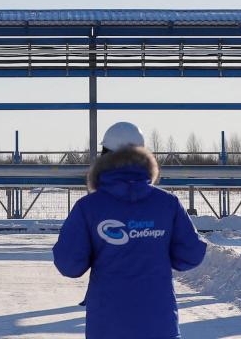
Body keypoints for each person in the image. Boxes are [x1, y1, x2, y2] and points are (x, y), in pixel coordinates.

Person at [53, 121, 207, 339]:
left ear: (104, 156)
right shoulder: (167, 204)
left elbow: (69, 264)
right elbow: (191, 254)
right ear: (144, 155)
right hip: (159, 325)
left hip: (106, 326)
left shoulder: (88, 207)